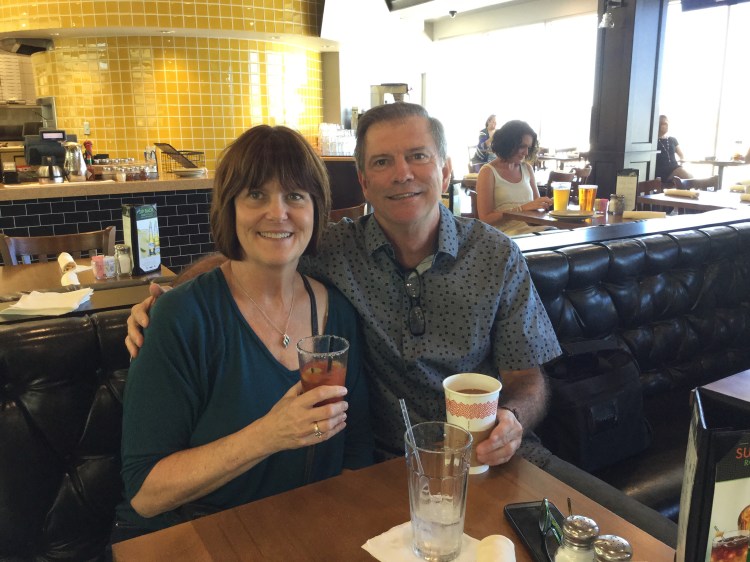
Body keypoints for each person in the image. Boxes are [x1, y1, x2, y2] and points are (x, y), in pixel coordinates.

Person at [127, 102, 561, 468]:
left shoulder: (496, 255)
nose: (402, 174)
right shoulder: (335, 249)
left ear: (445, 172)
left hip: (491, 460)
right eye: (382, 162)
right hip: (386, 471)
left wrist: (512, 419)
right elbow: (249, 254)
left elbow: (529, 378)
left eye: (418, 156)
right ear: (364, 182)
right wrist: (169, 300)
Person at [114, 125, 372, 538]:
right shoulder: (181, 317)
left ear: (316, 209)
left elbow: (356, 450)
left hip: (301, 531)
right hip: (194, 535)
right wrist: (268, 436)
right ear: (229, 208)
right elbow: (145, 492)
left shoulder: (337, 312)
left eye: (295, 196)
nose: (278, 212)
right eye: (256, 194)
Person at [475, 120, 553, 235]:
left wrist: (547, 205)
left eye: (529, 148)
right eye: (522, 146)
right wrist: (521, 209)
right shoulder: (488, 172)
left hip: (533, 231)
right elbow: (485, 219)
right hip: (507, 236)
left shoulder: (527, 169)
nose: (526, 152)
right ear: (507, 144)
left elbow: (537, 209)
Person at [655, 115, 692, 182]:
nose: (666, 126)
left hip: (675, 169)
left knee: (686, 174)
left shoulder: (672, 139)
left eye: (667, 124)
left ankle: (699, 186)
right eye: (663, 124)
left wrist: (681, 162)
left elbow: (681, 155)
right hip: (662, 172)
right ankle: (699, 186)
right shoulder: (653, 141)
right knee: (683, 173)